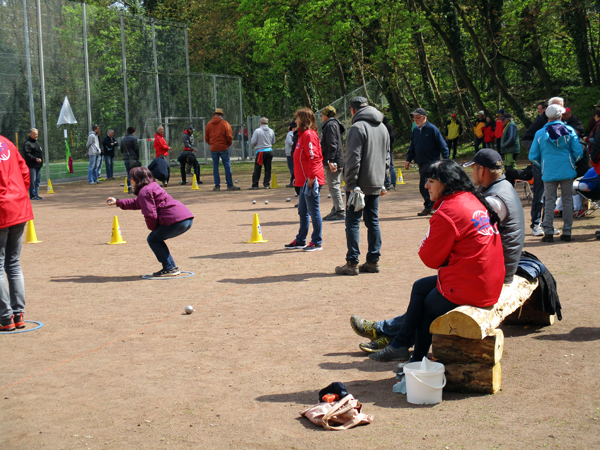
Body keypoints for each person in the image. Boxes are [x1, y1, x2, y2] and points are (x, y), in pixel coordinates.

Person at [354, 160, 505, 362]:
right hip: (488, 282)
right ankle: (400, 343)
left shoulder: (449, 211)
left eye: (431, 181)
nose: (426, 186)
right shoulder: (471, 198)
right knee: (420, 287)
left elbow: (429, 259)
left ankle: (416, 361)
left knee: (426, 307)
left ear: (447, 183)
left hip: (473, 287)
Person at [335, 97, 390, 275]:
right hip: (375, 182)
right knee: (372, 220)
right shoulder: (382, 127)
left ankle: (352, 263)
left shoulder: (357, 128)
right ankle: (373, 261)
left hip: (358, 184)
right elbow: (387, 158)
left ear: (353, 110)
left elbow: (353, 159)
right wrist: (382, 181)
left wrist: (350, 183)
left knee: (352, 222)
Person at [106, 167, 194, 277]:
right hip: (186, 218)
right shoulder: (152, 186)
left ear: (137, 179)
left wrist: (153, 228)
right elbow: (138, 202)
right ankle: (170, 267)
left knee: (153, 239)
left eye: (131, 178)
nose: (130, 180)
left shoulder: (144, 192)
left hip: (176, 220)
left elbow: (150, 214)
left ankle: (169, 268)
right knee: (156, 238)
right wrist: (118, 202)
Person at [464, 149, 525, 284]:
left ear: (482, 170)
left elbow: (472, 234)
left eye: (473, 169)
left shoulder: (494, 199)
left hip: (499, 273)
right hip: (503, 265)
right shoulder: (503, 185)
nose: (472, 174)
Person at [529, 104, 583, 242]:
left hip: (548, 171)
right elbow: (578, 151)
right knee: (567, 201)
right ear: (560, 116)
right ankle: (567, 233)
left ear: (547, 116)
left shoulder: (540, 133)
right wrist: (572, 162)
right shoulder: (569, 130)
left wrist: (543, 165)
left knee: (549, 200)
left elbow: (533, 156)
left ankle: (548, 233)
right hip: (567, 170)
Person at [0, 135, 34, 331]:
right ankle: (18, 314)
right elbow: (24, 171)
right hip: (18, 206)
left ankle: (5, 318)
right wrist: (20, 196)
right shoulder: (7, 143)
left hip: (3, 208)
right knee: (13, 262)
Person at [284, 107, 325, 252]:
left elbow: (314, 158)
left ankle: (316, 241)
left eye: (297, 118)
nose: (295, 121)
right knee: (302, 211)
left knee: (313, 211)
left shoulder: (309, 135)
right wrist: (297, 178)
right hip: (304, 181)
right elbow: (300, 160)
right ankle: (301, 239)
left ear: (303, 120)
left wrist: (312, 177)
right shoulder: (301, 135)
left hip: (311, 180)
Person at [404, 107, 449, 216]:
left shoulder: (432, 129)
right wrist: (408, 160)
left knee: (431, 185)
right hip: (421, 163)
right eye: (414, 118)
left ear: (424, 117)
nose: (416, 120)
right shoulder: (415, 131)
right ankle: (428, 206)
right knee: (423, 187)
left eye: (418, 118)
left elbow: (443, 145)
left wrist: (446, 160)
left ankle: (434, 206)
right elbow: (412, 147)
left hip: (432, 162)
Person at [521, 102, 548, 236]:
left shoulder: (558, 124)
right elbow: (527, 140)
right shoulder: (541, 121)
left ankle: (547, 224)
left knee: (550, 194)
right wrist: (538, 160)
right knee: (539, 191)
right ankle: (536, 224)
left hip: (551, 164)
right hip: (537, 156)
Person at [320, 105, 346, 221]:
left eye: (321, 115)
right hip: (337, 159)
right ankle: (335, 210)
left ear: (326, 115)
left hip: (334, 160)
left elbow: (332, 144)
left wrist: (331, 160)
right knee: (334, 185)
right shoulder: (335, 124)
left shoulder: (330, 125)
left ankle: (340, 211)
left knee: (334, 186)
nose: (321, 117)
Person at [204, 108, 240, 191]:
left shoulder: (209, 124)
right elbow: (229, 136)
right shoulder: (225, 123)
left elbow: (206, 137)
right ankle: (229, 185)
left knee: (215, 166)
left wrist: (211, 143)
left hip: (213, 148)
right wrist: (228, 144)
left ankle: (217, 185)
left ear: (215, 114)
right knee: (227, 165)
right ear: (221, 115)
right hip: (223, 147)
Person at [249, 117, 276, 189]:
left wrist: (257, 145)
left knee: (257, 168)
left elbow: (253, 141)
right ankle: (266, 184)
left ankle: (255, 184)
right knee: (268, 168)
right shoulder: (271, 131)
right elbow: (273, 142)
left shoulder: (257, 131)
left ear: (260, 123)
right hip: (269, 151)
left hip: (261, 151)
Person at [22, 128, 43, 200]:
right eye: (35, 134)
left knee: (38, 181)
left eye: (37, 134)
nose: (36, 135)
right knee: (33, 181)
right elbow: (27, 154)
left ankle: (36, 194)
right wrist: (35, 159)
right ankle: (32, 195)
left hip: (39, 165)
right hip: (32, 166)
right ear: (31, 134)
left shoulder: (37, 143)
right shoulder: (27, 144)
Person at [121, 126, 140, 194]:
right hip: (133, 158)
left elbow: (121, 149)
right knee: (135, 173)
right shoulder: (134, 138)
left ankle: (129, 186)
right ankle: (136, 187)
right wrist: (137, 156)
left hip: (126, 158)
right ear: (133, 132)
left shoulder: (123, 139)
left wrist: (125, 155)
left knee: (129, 173)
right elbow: (136, 148)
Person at [383, 116, 397, 190]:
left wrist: (387, 145)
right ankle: (387, 182)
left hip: (388, 150)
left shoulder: (388, 126)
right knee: (384, 166)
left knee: (390, 165)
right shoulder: (381, 126)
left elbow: (392, 138)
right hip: (382, 150)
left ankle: (393, 183)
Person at [285, 121, 296, 187]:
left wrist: (294, 146)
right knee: (293, 167)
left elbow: (290, 142)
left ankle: (293, 182)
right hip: (293, 152)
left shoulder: (290, 133)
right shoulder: (295, 133)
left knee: (291, 167)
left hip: (290, 153)